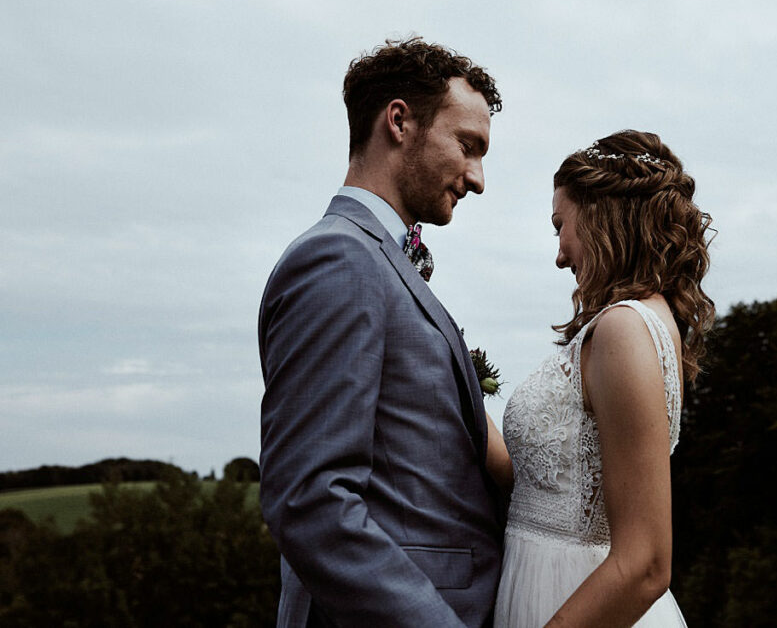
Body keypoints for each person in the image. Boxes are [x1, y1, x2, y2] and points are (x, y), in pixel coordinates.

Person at [258, 38, 507, 627]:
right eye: (467, 146)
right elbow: (311, 501)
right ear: (399, 121)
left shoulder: (377, 259)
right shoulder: (338, 261)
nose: (477, 179)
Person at [491, 130, 714, 627]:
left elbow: (645, 565)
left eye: (559, 226)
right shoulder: (641, 322)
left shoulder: (625, 329)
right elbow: (558, 484)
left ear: (599, 213)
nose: (560, 254)